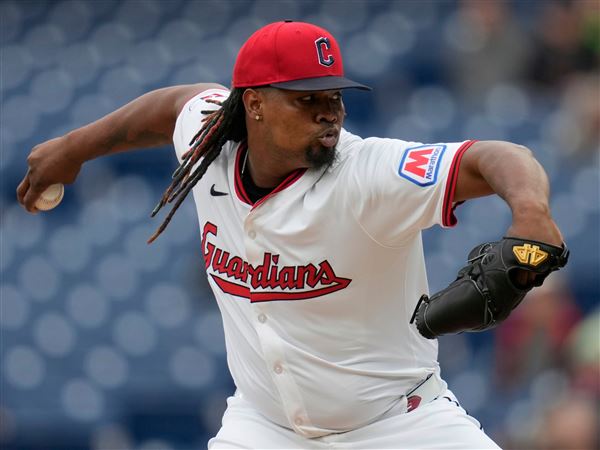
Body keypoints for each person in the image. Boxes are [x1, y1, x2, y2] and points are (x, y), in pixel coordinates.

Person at [17, 21, 565, 449]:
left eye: (334, 97)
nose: (329, 113)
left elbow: (501, 157)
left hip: (400, 426)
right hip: (264, 430)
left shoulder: (369, 172)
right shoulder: (211, 139)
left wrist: (531, 218)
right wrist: (73, 149)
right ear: (252, 103)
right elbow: (169, 108)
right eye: (308, 99)